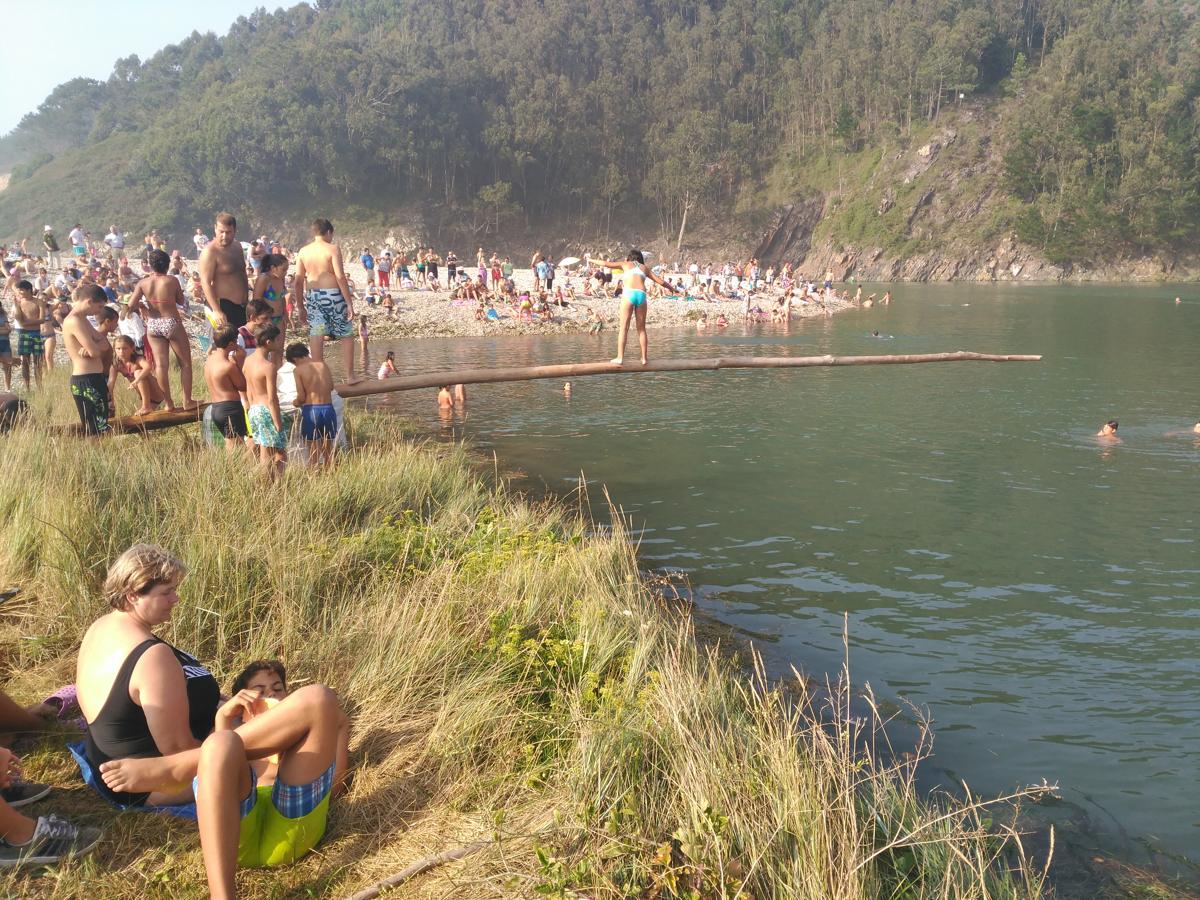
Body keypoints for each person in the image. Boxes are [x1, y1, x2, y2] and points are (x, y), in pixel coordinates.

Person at [79, 545, 346, 898]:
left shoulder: (103, 629)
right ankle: (171, 769)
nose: (176, 599)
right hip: (170, 781)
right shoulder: (152, 657)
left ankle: (180, 764)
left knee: (312, 704)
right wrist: (238, 728)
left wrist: (228, 713)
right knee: (315, 701)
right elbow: (181, 748)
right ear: (132, 595)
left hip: (134, 763)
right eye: (166, 592)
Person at [293, 219, 359, 384]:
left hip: (313, 296)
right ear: (329, 232)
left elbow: (298, 281)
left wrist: (300, 307)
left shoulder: (303, 251)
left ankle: (318, 376)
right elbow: (340, 277)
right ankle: (350, 376)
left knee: (317, 333)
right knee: (345, 334)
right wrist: (349, 302)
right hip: (333, 295)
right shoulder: (332, 249)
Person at [130, 250, 197, 411]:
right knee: (185, 364)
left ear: (150, 265)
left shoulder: (143, 283)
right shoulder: (171, 280)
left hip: (153, 324)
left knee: (160, 366)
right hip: (171, 321)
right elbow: (181, 301)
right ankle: (187, 401)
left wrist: (144, 307)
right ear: (167, 265)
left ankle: (168, 404)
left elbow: (130, 303)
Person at [590, 251, 673, 365]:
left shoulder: (626, 264)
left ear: (629, 257)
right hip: (641, 295)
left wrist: (590, 260)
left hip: (629, 293)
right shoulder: (645, 268)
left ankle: (620, 358)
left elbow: (605, 263)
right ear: (640, 258)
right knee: (641, 329)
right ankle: (644, 358)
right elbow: (661, 281)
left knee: (624, 328)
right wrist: (672, 289)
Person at [62, 284, 112, 435]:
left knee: (101, 426)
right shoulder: (74, 321)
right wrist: (94, 346)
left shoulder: (83, 320)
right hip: (85, 380)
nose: (100, 311)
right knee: (94, 429)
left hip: (94, 378)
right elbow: (96, 351)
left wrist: (94, 346)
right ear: (89, 301)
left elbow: (106, 344)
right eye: (99, 307)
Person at [244, 324, 286, 476]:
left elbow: (248, 390)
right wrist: (278, 423)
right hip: (266, 411)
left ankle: (264, 487)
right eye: (277, 339)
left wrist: (249, 411)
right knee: (279, 454)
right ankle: (277, 487)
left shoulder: (247, 361)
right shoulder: (269, 367)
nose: (279, 342)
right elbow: (272, 398)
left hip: (253, 410)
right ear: (268, 342)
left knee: (264, 451)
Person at [286, 342, 337, 466]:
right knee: (329, 453)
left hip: (311, 411)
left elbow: (302, 397)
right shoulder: (323, 365)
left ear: (294, 358)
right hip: (328, 409)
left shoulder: (298, 370)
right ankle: (332, 477)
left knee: (313, 453)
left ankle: (314, 480)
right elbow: (330, 387)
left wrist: (295, 403)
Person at [199, 213, 250, 329]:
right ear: (215, 229)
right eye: (221, 231)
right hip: (222, 306)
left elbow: (242, 274)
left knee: (239, 345)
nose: (224, 236)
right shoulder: (210, 252)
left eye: (228, 232)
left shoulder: (237, 247)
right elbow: (205, 282)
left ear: (235, 231)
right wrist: (216, 310)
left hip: (241, 307)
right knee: (220, 346)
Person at [203, 327, 249, 450]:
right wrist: (241, 361)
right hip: (230, 408)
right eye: (236, 341)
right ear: (231, 343)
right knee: (237, 449)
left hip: (216, 408)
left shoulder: (209, 361)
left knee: (231, 445)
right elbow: (243, 386)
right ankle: (235, 470)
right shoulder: (228, 366)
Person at [111, 335, 166, 416]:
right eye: (118, 349)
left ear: (132, 348)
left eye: (125, 348)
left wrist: (136, 381)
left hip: (157, 395)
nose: (121, 352)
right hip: (147, 398)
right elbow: (111, 382)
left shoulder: (138, 359)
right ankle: (146, 405)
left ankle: (145, 406)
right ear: (114, 349)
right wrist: (111, 400)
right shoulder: (116, 364)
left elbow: (148, 367)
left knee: (138, 373)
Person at [12, 281, 45, 391]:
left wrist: (26, 323)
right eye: (18, 290)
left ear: (29, 290)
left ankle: (40, 386)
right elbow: (18, 318)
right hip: (24, 334)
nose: (19, 292)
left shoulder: (39, 302)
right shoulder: (19, 303)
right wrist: (16, 305)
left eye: (21, 290)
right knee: (25, 362)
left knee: (38, 362)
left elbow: (42, 319)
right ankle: (27, 388)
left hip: (36, 333)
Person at [252, 254, 288, 330]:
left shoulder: (281, 278)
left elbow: (282, 298)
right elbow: (256, 301)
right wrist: (263, 319)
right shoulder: (263, 279)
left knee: (280, 342)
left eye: (286, 270)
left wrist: (285, 313)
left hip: (280, 318)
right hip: (267, 320)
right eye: (283, 270)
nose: (286, 273)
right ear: (273, 268)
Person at [0, 300, 12, 391]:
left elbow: (9, 330)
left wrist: (4, 329)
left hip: (5, 343)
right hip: (4, 340)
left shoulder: (3, 315)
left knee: (7, 366)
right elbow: (6, 329)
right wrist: (3, 329)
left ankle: (7, 388)